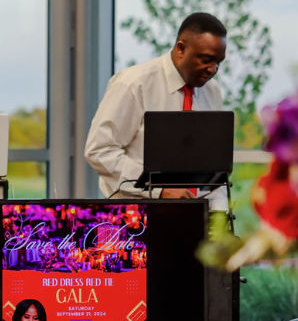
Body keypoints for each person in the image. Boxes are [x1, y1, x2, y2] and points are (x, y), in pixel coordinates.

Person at [84, 12, 229, 210]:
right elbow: (99, 151)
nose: (212, 69)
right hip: (138, 220)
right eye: (206, 59)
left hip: (198, 219)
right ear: (181, 49)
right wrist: (159, 190)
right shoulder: (133, 83)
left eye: (218, 62)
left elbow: (214, 171)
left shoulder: (213, 92)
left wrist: (219, 215)